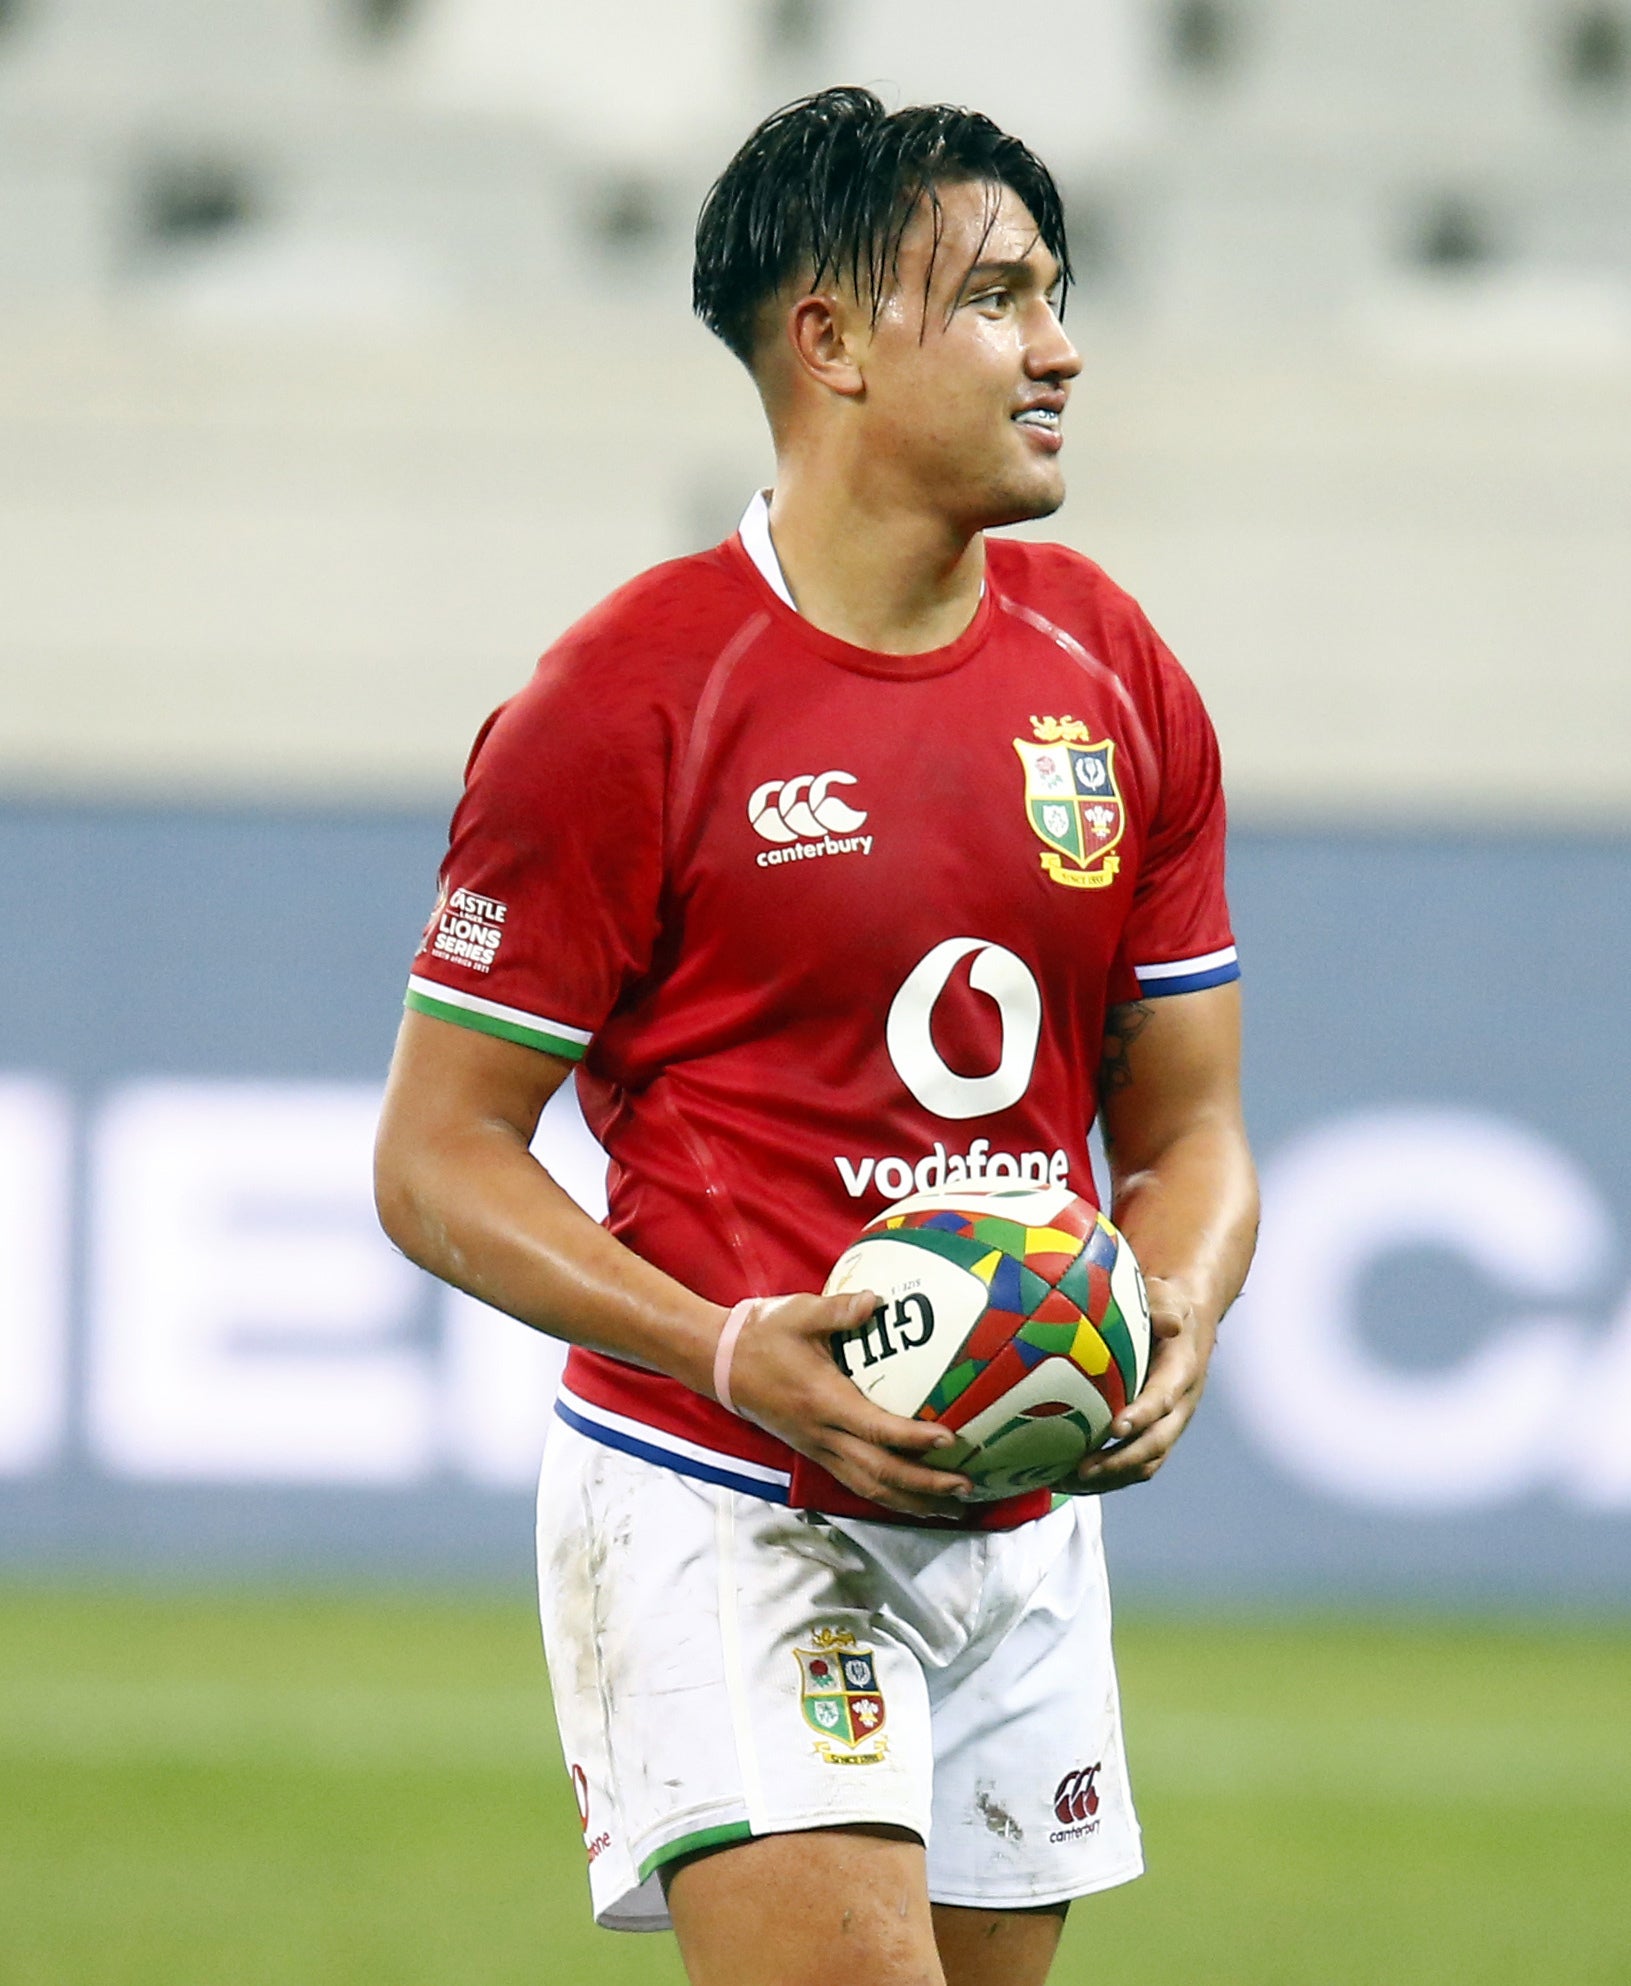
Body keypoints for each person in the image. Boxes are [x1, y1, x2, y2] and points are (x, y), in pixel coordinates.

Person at [374, 86, 1258, 1986]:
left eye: (1060, 290)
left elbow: (1191, 1135)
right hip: (728, 1491)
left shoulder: (1112, 666)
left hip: (1016, 1496)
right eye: (1002, 296)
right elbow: (434, 1157)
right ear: (832, 340)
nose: (1061, 345)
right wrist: (726, 1348)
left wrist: (1174, 1306)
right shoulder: (625, 702)